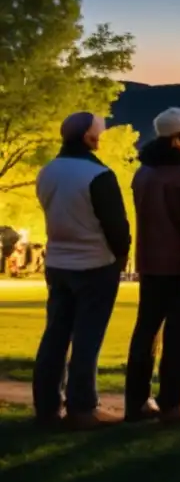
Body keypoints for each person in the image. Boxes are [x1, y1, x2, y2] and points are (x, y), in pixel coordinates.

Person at [33, 112, 131, 428]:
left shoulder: (47, 172)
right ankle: (83, 407)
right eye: (97, 133)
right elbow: (116, 226)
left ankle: (47, 405)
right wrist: (120, 257)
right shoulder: (98, 175)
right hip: (94, 263)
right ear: (88, 138)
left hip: (58, 262)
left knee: (55, 335)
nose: (100, 137)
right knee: (88, 338)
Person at [124, 108, 180, 423]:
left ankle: (136, 402)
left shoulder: (143, 173)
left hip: (149, 263)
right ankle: (173, 402)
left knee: (146, 331)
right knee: (178, 335)